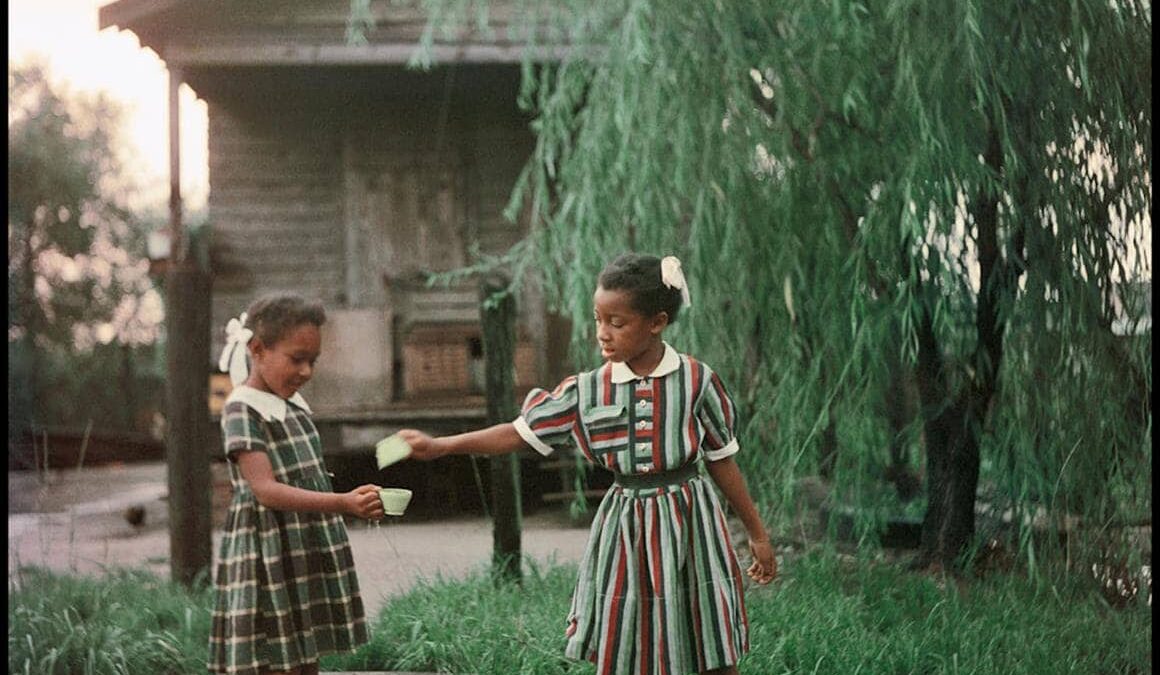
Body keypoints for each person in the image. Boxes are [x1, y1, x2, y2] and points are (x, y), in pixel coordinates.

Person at [399, 253, 777, 675]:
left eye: (617, 323)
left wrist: (757, 534)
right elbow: (518, 432)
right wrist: (442, 446)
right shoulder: (588, 390)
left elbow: (722, 460)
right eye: (598, 319)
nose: (603, 333)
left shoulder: (696, 379)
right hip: (627, 529)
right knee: (627, 642)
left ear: (656, 322)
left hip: (692, 523)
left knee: (708, 638)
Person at [208, 293, 385, 675]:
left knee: (305, 648)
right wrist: (341, 503)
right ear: (258, 348)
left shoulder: (293, 403)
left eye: (313, 361)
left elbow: (308, 472)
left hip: (304, 544)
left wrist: (354, 497)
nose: (306, 371)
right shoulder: (242, 408)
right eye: (296, 359)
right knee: (275, 654)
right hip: (269, 546)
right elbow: (265, 489)